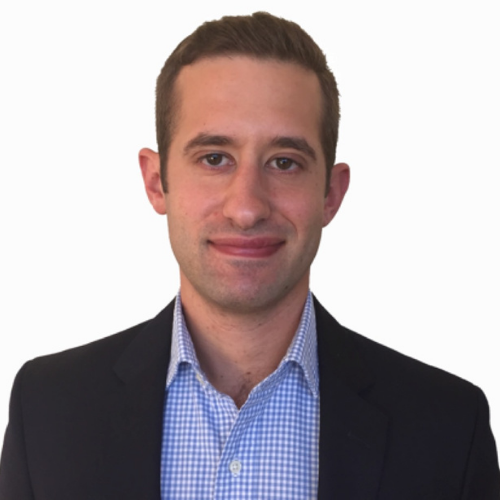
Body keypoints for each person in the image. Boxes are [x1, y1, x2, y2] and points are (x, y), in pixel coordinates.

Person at [0, 11, 498, 500]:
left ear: (331, 194)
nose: (245, 208)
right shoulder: (47, 410)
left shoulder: (451, 429)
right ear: (157, 183)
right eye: (214, 158)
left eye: (284, 162)